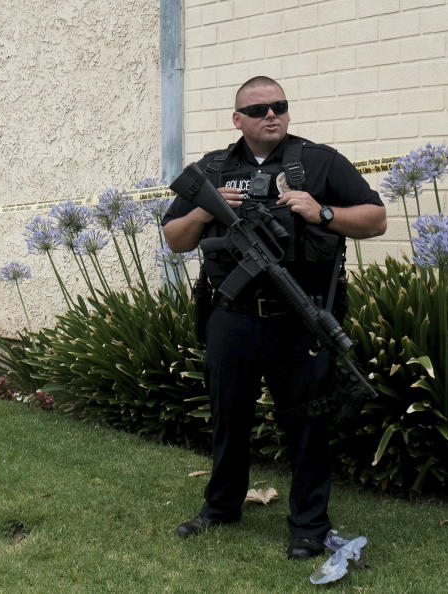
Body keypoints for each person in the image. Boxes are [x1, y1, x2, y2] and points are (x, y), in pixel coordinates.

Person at [162, 76, 387, 560]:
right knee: (229, 415)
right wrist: (205, 213)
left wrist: (321, 212)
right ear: (237, 119)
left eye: (280, 106)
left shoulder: (319, 161)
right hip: (233, 316)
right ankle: (220, 507)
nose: (272, 115)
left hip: (299, 319)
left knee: (308, 423)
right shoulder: (215, 168)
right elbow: (175, 239)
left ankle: (308, 526)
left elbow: (376, 218)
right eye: (260, 108)